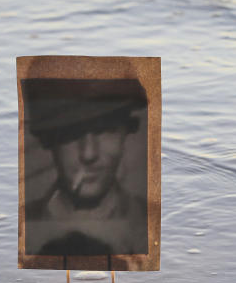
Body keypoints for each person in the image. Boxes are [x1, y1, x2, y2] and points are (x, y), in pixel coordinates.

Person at [22, 78, 148, 256]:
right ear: (49, 140)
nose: (88, 154)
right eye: (72, 132)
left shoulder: (155, 223)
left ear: (126, 132)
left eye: (105, 129)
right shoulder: (18, 226)